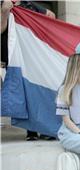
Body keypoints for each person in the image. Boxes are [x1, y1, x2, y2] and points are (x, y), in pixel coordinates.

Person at [1, 0, 55, 141]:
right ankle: (31, 130)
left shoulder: (28, 4)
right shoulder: (3, 5)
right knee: (25, 94)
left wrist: (39, 20)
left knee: (39, 92)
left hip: (35, 56)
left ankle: (44, 128)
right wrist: (5, 12)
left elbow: (51, 15)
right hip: (16, 59)